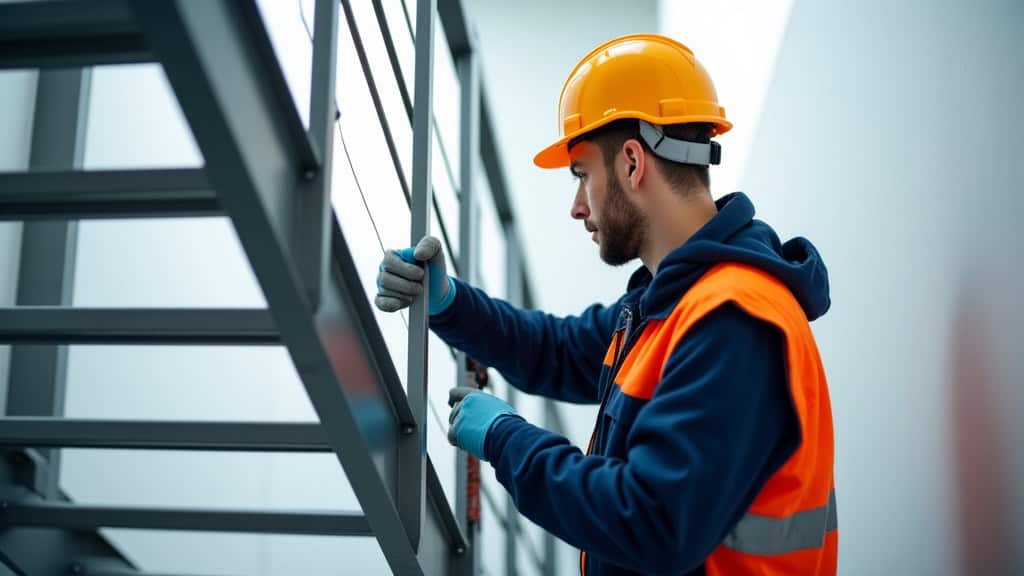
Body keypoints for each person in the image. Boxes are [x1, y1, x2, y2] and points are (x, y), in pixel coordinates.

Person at [375, 34, 837, 576]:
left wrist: (508, 439)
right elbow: (559, 350)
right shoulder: (670, 303)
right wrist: (449, 303)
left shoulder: (733, 319)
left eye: (581, 175)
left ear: (633, 163)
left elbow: (653, 521)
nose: (576, 207)